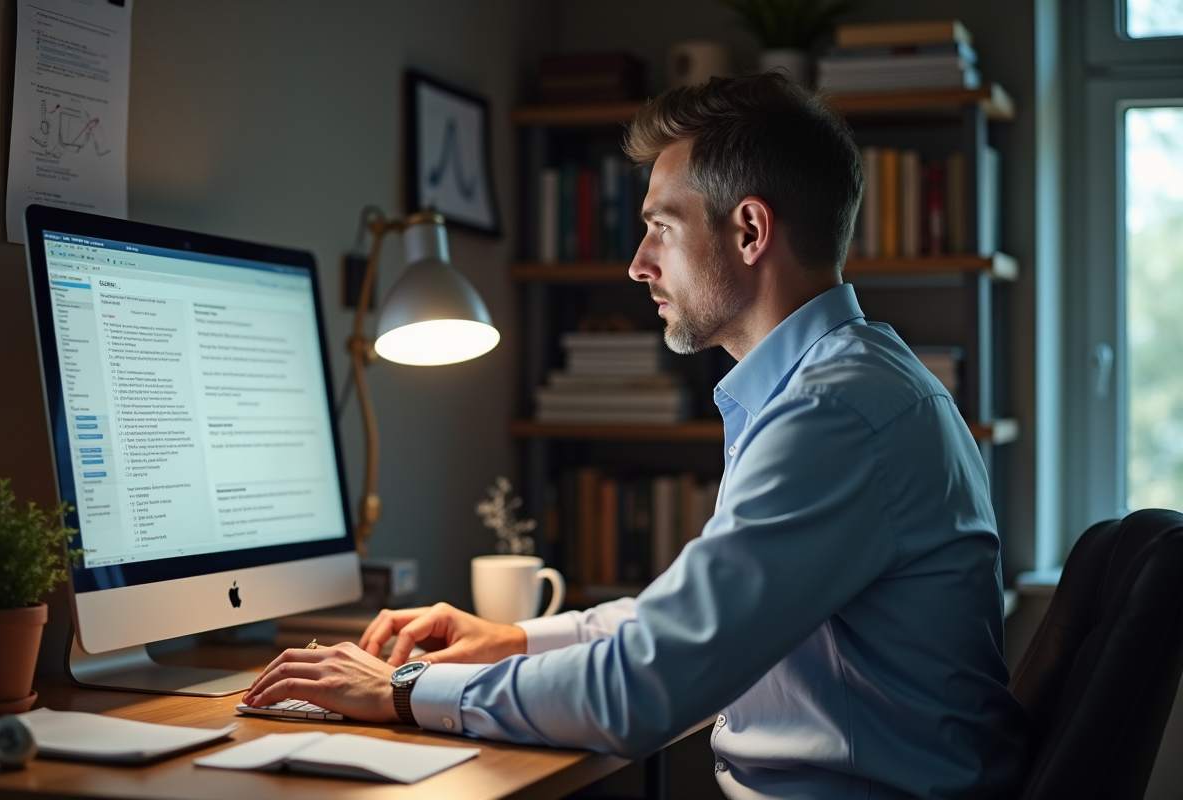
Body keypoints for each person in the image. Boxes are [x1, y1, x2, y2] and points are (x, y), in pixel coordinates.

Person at [244, 72, 1027, 799]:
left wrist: (402, 691)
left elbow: (644, 685)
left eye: (661, 226)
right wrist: (512, 638)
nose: (637, 264)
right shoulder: (846, 387)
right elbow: (685, 629)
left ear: (750, 230)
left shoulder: (836, 415)